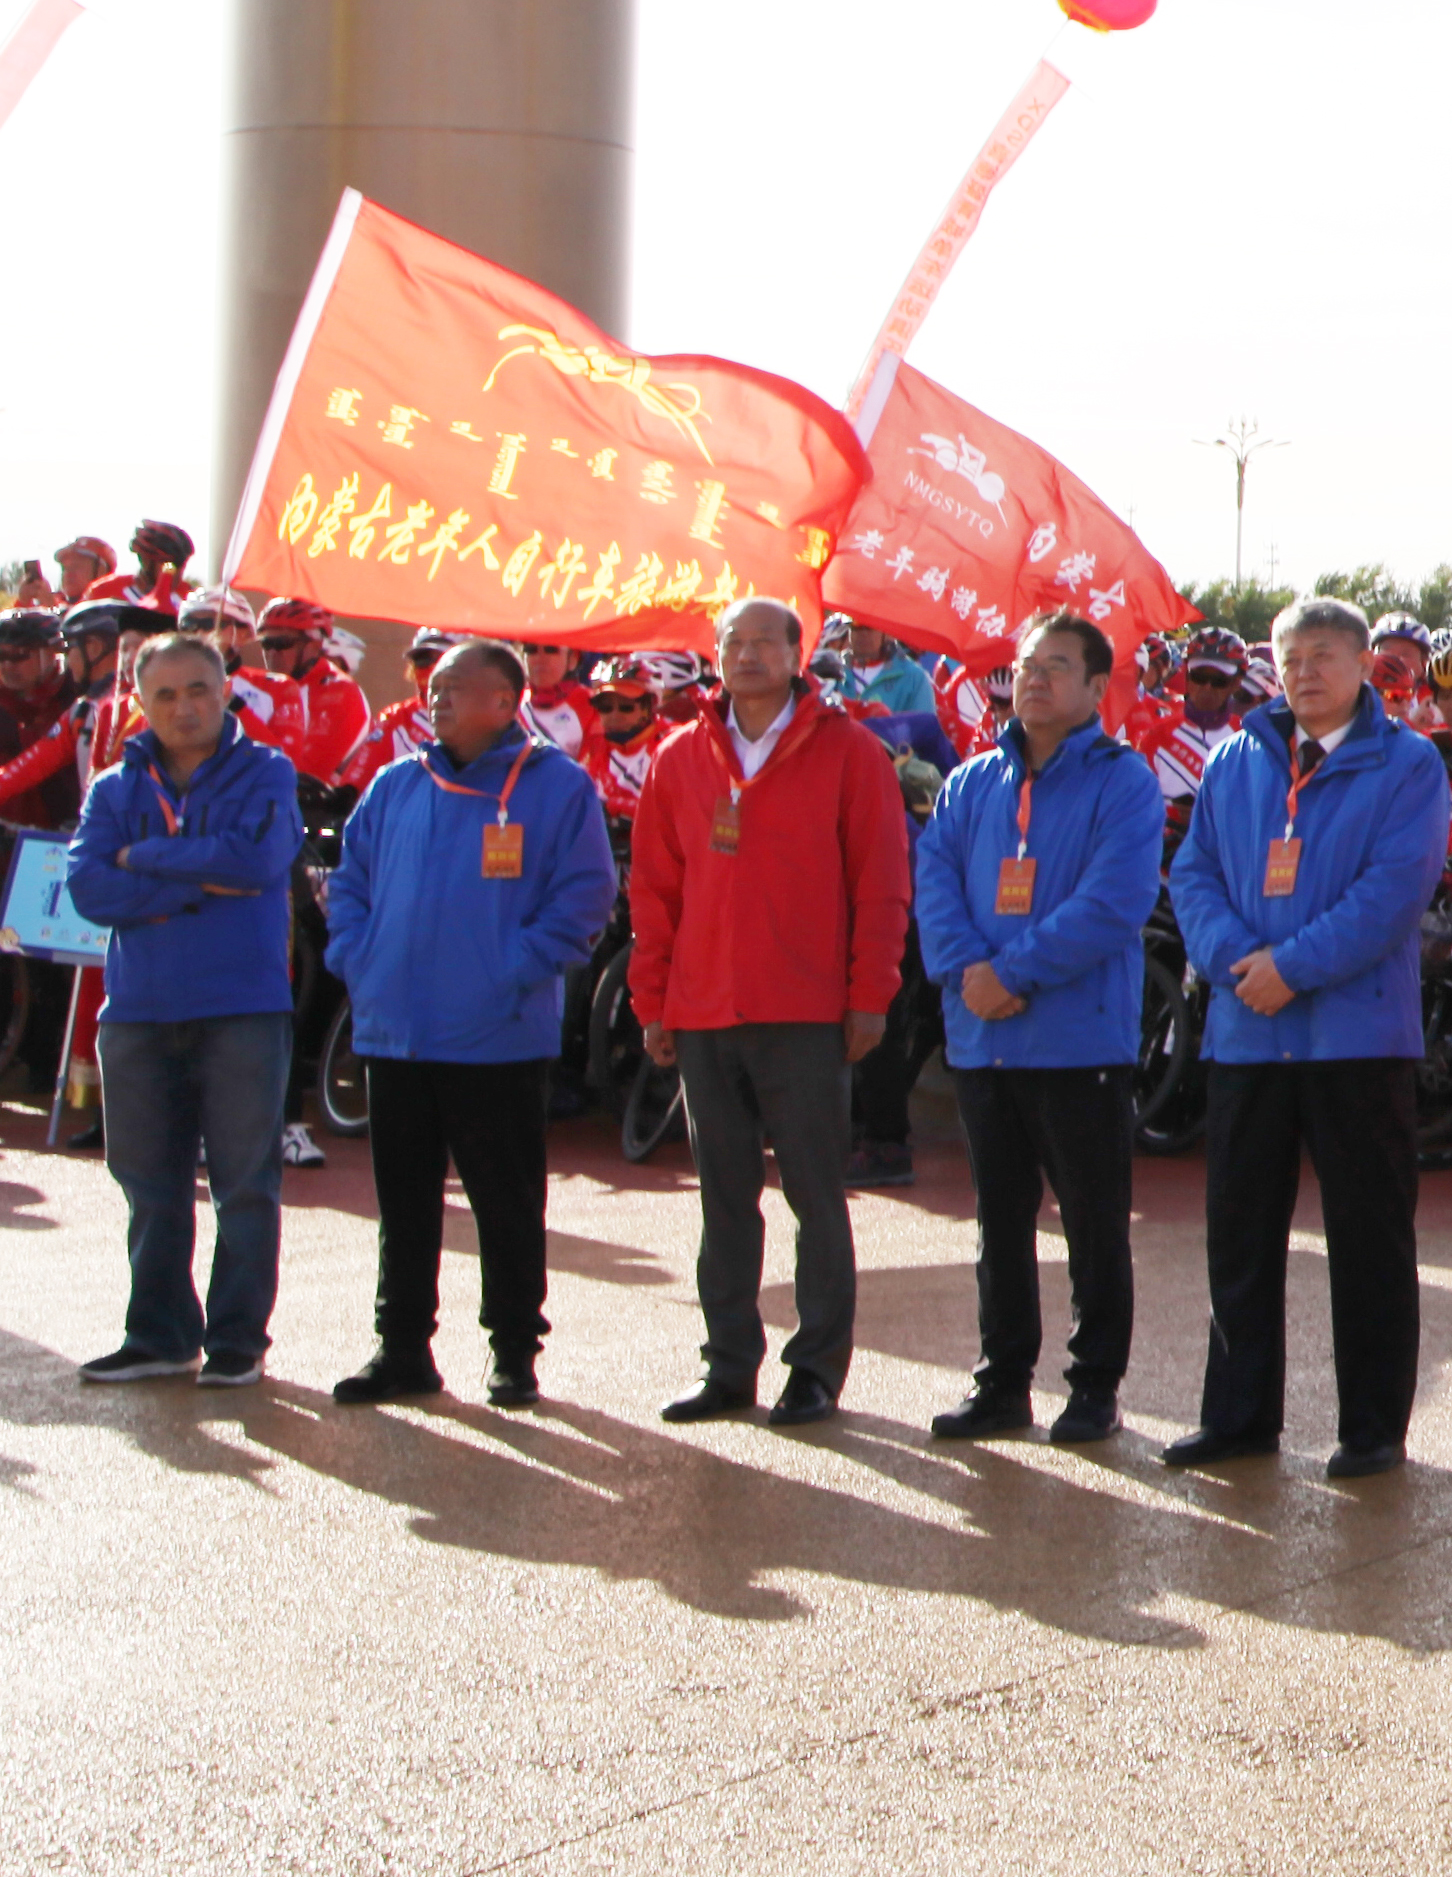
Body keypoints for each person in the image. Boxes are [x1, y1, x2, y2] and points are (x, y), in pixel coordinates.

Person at [1159, 597, 1452, 1476]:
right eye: (1291, 656)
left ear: (1367, 665)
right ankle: (1239, 1417)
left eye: (1325, 655)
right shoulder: (1238, 760)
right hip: (1248, 1035)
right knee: (1240, 1234)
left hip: (1355, 1037)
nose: (1305, 672)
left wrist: (1290, 965)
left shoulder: (1406, 766)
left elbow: (1393, 892)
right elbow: (1194, 871)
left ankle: (1372, 1429)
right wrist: (1232, 959)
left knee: (1368, 1240)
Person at [625, 598, 917, 1429]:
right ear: (715, 656)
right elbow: (653, 890)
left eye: (764, 641)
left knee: (816, 1197)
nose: (747, 655)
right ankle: (727, 1366)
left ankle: (816, 1369)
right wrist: (653, 1000)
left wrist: (870, 995)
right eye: (732, 642)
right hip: (705, 1008)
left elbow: (883, 884)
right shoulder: (679, 756)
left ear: (800, 653)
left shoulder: (850, 753)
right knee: (723, 1198)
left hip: (806, 1010)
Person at [319, 638, 617, 1410]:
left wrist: (509, 970)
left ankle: (513, 1350)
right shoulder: (395, 785)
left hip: (496, 1032)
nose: (436, 697)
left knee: (505, 1199)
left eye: (455, 686)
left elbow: (585, 897)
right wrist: (359, 959)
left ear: (503, 700)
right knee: (406, 1201)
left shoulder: (554, 787)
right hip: (397, 1029)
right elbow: (349, 884)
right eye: (433, 686)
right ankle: (401, 1348)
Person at [911, 612, 1171, 1447]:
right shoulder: (970, 782)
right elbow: (936, 882)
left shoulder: (1122, 782)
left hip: (1075, 1038)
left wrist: (1009, 974)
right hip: (983, 1037)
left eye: (1056, 667)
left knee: (1093, 1222)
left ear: (1097, 688)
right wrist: (968, 974)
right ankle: (1002, 1380)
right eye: (1026, 666)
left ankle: (1094, 1385)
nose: (1034, 680)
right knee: (999, 1219)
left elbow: (1114, 902)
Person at [63, 636, 306, 1388]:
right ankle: (160, 1334)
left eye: (198, 689)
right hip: (138, 1010)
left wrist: (147, 859)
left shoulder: (267, 772)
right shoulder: (113, 788)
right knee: (149, 1183)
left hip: (242, 1007)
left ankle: (238, 1339)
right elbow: (90, 890)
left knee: (243, 1183)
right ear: (140, 703)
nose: (183, 707)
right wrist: (199, 880)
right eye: (164, 695)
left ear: (225, 689)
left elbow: (259, 864)